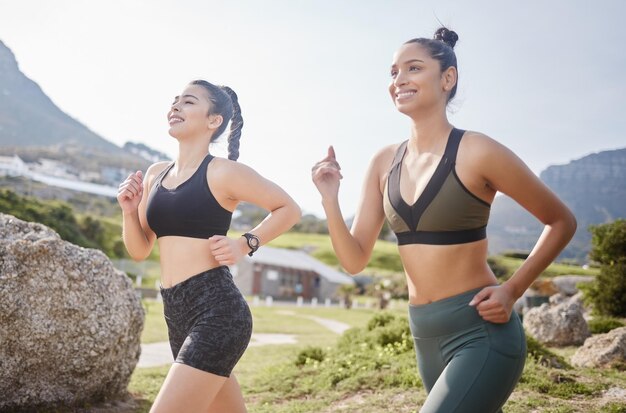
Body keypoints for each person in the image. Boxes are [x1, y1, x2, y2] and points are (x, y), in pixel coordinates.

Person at [311, 27, 576, 413]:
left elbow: (561, 220)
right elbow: (354, 261)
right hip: (425, 337)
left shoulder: (477, 151)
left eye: (413, 68)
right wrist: (330, 199)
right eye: (393, 72)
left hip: (480, 332)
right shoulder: (384, 162)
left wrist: (513, 290)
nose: (399, 79)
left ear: (447, 78)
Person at [117, 79, 301, 413]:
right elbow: (140, 249)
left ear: (213, 121)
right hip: (175, 310)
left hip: (217, 310)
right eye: (174, 101)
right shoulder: (156, 174)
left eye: (188, 102)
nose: (175, 106)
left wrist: (245, 244)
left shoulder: (222, 172)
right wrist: (129, 212)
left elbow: (289, 208)